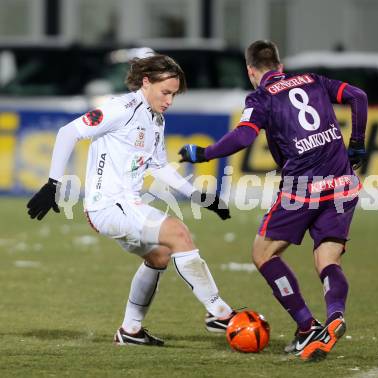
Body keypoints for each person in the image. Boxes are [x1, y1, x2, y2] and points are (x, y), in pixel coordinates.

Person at [26, 54, 236, 346]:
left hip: (123, 205)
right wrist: (52, 183)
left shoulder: (156, 118)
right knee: (178, 233)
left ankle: (131, 330)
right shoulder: (120, 108)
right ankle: (219, 311)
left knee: (159, 255)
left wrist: (198, 196)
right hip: (109, 204)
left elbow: (158, 165)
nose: (169, 101)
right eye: (166, 92)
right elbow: (68, 132)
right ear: (146, 82)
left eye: (174, 95)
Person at [179, 40, 368, 361]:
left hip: (303, 188)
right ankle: (335, 315)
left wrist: (204, 153)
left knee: (263, 254)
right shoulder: (314, 81)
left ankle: (307, 326)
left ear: (252, 71)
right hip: (343, 183)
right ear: (279, 66)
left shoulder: (261, 97)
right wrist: (358, 143)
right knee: (328, 261)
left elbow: (243, 135)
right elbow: (358, 96)